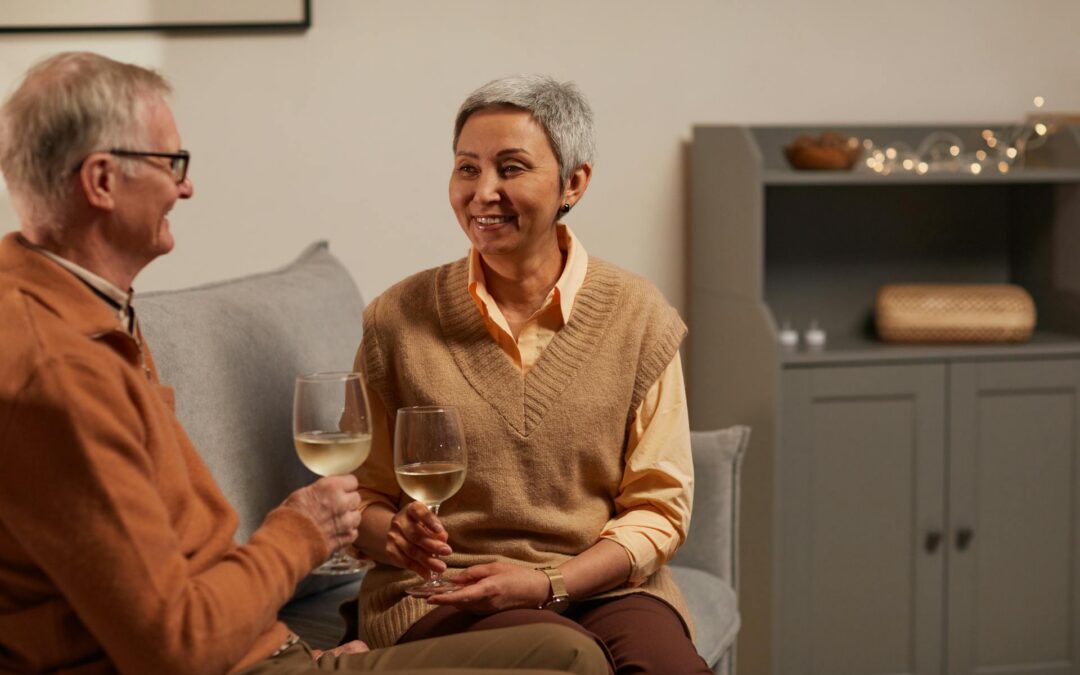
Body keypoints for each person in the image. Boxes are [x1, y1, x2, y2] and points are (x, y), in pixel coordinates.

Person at [0, 52, 610, 675]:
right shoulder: (54, 366)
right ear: (102, 181)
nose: (186, 188)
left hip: (264, 650)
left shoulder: (91, 309)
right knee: (569, 666)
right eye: (171, 164)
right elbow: (173, 645)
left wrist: (295, 645)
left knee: (570, 651)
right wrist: (302, 531)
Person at [352, 75, 710, 674]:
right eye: (467, 168)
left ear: (574, 183)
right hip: (450, 593)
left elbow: (660, 507)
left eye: (510, 169)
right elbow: (360, 500)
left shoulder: (639, 315)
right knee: (565, 663)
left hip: (603, 586)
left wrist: (551, 582)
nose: (482, 193)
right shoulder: (397, 320)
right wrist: (396, 534)